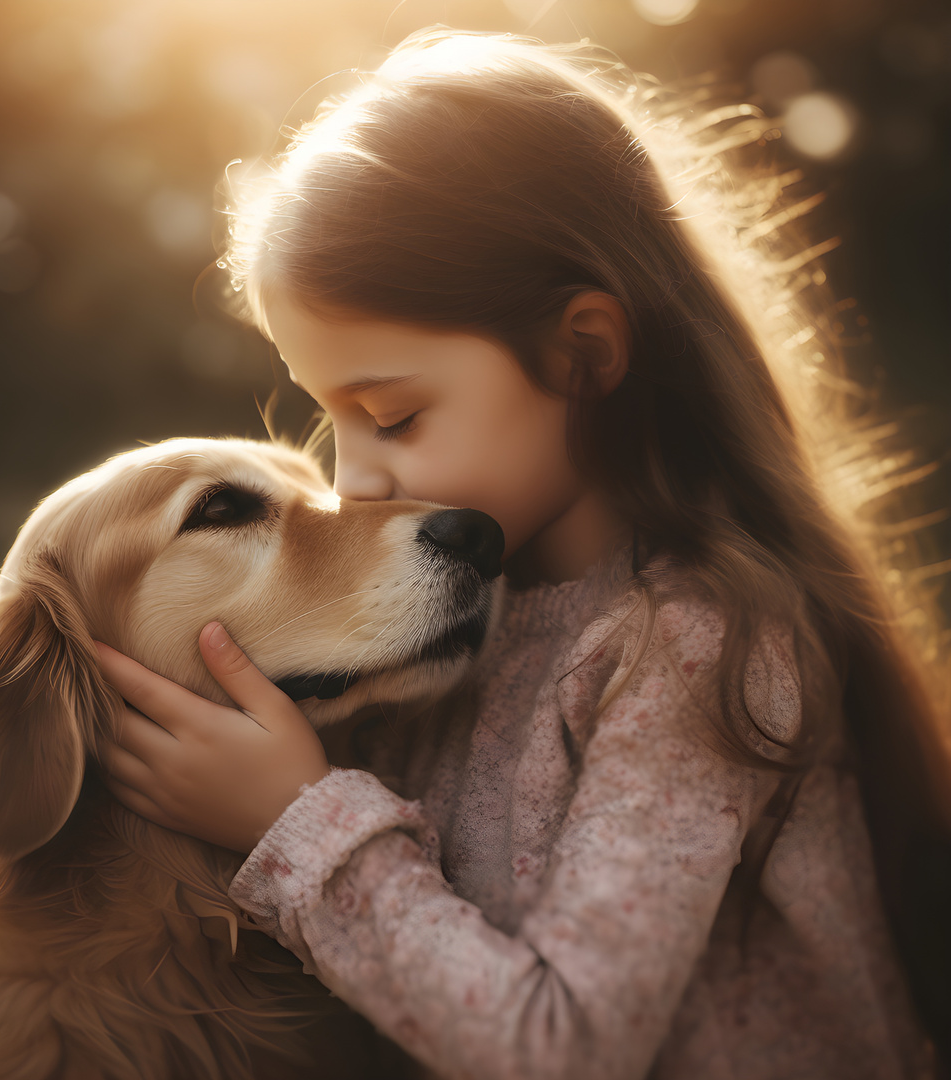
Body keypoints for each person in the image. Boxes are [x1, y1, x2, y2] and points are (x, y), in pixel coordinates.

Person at [95, 30, 950, 1079]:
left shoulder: (690, 648)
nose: (354, 477)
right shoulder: (454, 625)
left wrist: (295, 820)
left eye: (393, 415)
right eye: (332, 417)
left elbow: (565, 1048)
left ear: (582, 353)